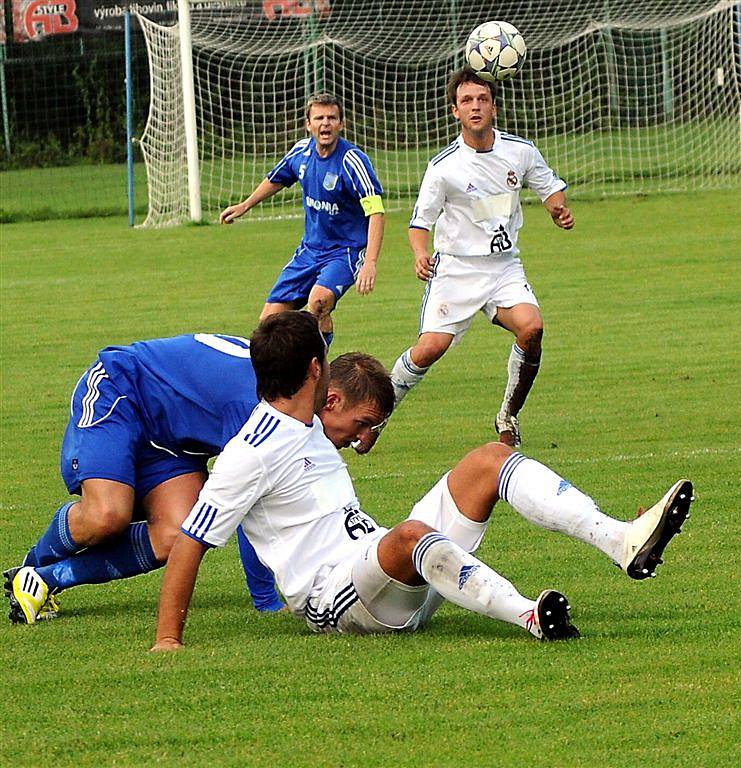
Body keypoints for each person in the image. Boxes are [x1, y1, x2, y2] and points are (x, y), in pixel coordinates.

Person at [150, 311, 693, 651]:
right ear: (316, 371)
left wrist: (366, 424)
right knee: (409, 534)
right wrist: (168, 641)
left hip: (394, 576)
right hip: (337, 604)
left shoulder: (314, 424)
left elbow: (357, 402)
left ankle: (620, 539)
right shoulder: (250, 451)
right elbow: (190, 542)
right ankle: (528, 614)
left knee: (487, 459)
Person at [4, 324, 394, 624]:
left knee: (176, 534)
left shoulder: (288, 397)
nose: (362, 440)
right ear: (331, 398)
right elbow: (249, 502)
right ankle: (29, 565)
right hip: (121, 391)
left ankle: (45, 579)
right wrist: (266, 602)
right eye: (362, 425)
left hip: (173, 442)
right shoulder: (262, 407)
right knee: (107, 515)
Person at [377, 68, 574, 452]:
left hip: (503, 268)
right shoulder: (444, 167)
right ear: (455, 111)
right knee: (429, 348)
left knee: (531, 328)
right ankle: (378, 415)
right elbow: (420, 223)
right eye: (467, 101)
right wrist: (420, 255)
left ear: (494, 107)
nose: (475, 106)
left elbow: (550, 187)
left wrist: (558, 210)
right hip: (456, 270)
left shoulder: (520, 151)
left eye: (482, 99)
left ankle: (507, 417)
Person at [219, 93, 385, 348]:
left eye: (332, 118)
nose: (325, 124)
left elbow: (376, 211)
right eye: (319, 118)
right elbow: (277, 178)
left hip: (345, 251)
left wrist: (370, 262)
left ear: (342, 124)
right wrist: (245, 205)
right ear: (308, 124)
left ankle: (316, 368)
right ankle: (292, 372)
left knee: (318, 303)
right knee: (269, 323)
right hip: (310, 250)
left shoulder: (353, 161)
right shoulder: (301, 151)